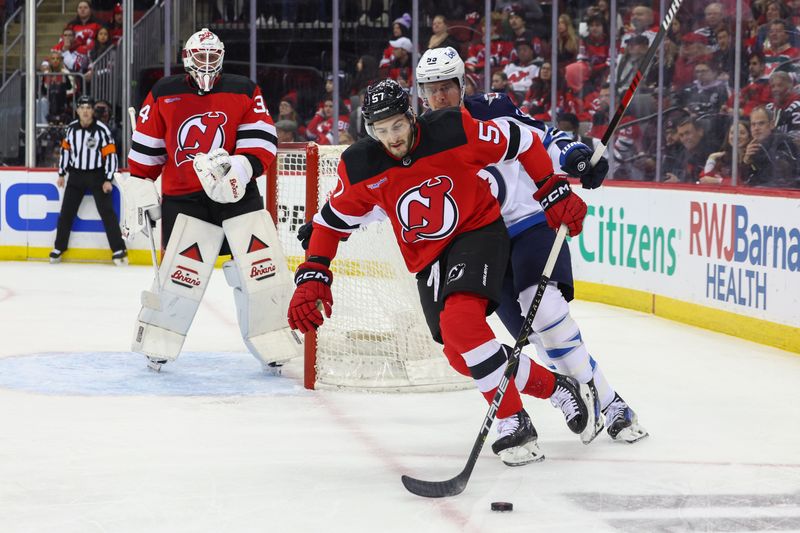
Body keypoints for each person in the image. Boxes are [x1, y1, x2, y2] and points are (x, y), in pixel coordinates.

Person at [289, 78, 600, 466]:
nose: (392, 138)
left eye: (398, 126)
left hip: (478, 231)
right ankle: (556, 387)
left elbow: (522, 140)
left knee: (461, 325)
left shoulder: (453, 128)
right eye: (381, 130)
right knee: (459, 353)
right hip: (429, 260)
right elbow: (331, 221)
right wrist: (313, 273)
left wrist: (550, 187)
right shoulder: (360, 163)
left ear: (411, 117)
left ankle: (513, 421)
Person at [414, 47, 646, 443]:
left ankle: (609, 405)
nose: (439, 98)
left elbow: (543, 138)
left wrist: (575, 157)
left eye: (446, 87)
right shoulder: (421, 140)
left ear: (461, 84)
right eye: (430, 90)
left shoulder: (492, 109)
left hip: (528, 223)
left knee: (548, 314)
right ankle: (601, 399)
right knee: (536, 337)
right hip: (479, 246)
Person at [124, 28, 299, 372]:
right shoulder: (164, 91)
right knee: (180, 274)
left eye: (211, 56)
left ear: (221, 57)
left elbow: (262, 140)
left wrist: (240, 166)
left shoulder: (244, 89)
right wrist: (141, 183)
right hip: (184, 197)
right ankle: (161, 337)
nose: (206, 63)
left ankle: (272, 339)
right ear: (186, 58)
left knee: (257, 269)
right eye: (199, 56)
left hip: (235, 195)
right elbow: (147, 148)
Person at [50, 95, 126, 265]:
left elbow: (111, 155)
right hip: (76, 175)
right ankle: (59, 247)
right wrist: (61, 173)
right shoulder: (71, 129)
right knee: (66, 213)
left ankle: (118, 249)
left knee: (107, 212)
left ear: (93, 111)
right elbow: (65, 152)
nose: (85, 111)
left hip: (97, 175)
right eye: (82, 107)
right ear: (77, 110)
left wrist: (108, 178)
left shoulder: (102, 130)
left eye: (88, 108)